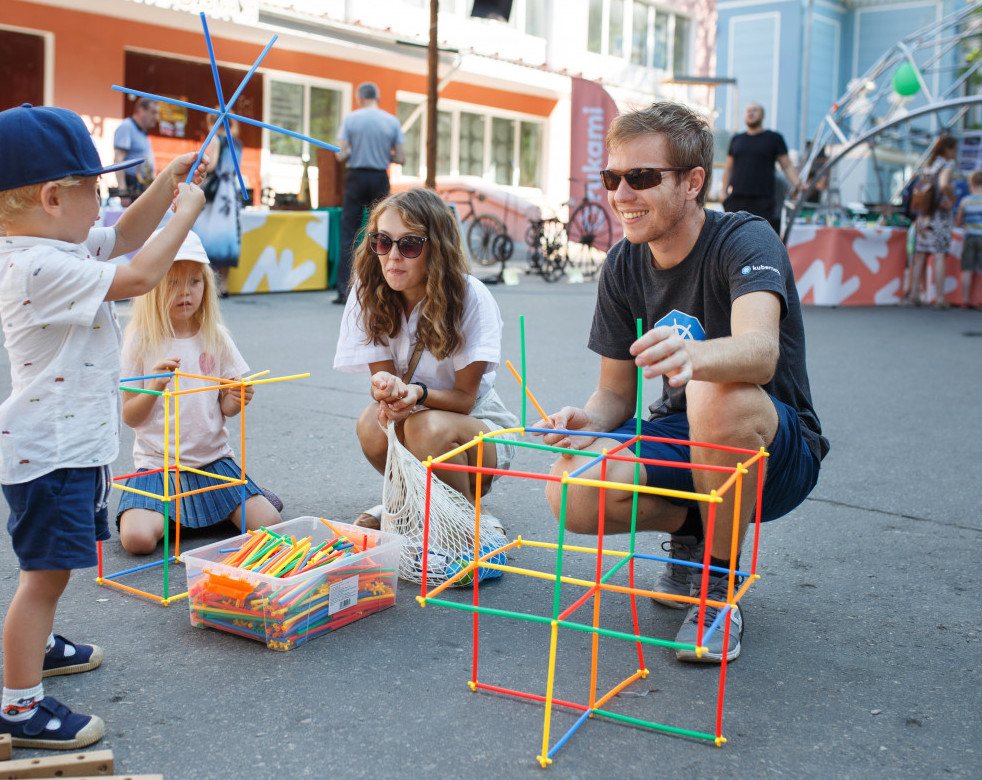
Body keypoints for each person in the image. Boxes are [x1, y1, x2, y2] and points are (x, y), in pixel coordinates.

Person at [535, 102, 829, 663]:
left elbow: (761, 354)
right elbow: (616, 394)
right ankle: (695, 538)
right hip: (682, 434)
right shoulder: (622, 262)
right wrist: (587, 420)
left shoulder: (745, 238)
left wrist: (695, 356)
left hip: (772, 444)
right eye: (612, 178)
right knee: (571, 491)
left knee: (712, 388)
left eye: (642, 177)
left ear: (694, 182)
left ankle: (720, 589)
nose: (621, 194)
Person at [0, 103, 207, 748]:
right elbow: (139, 272)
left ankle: (41, 648)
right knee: (44, 577)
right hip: (51, 452)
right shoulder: (37, 266)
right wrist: (186, 213)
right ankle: (20, 707)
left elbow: (125, 236)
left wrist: (165, 185)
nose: (100, 203)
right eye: (92, 190)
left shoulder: (49, 241)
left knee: (53, 569)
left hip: (66, 443)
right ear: (51, 197)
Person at [333, 187, 519, 529]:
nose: (392, 256)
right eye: (383, 241)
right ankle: (410, 502)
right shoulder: (367, 290)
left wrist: (415, 393)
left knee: (425, 427)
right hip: (416, 416)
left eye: (409, 244)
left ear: (437, 248)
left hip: (478, 422)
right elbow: (386, 387)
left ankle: (467, 518)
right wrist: (387, 389)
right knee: (372, 425)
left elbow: (464, 399)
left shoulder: (470, 296)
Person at [115, 232, 282, 555]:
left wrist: (235, 398)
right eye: (172, 282)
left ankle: (203, 511)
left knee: (271, 523)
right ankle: (202, 513)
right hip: (158, 465)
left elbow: (226, 407)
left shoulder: (214, 337)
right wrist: (154, 388)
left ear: (206, 285)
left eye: (194, 282)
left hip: (212, 461)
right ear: (152, 286)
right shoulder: (140, 341)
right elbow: (130, 415)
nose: (185, 293)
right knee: (137, 540)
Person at [333, 82, 406, 305]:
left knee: (349, 234)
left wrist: (355, 151)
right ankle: (380, 287)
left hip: (356, 177)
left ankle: (345, 291)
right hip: (379, 178)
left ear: (359, 98)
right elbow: (401, 158)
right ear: (378, 97)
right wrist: (384, 154)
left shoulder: (351, 119)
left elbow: (340, 155)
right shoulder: (391, 121)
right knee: (383, 233)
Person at [721, 102, 801, 233]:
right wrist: (723, 193)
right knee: (734, 238)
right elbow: (729, 168)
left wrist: (797, 184)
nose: (751, 113)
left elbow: (787, 165)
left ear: (763, 115)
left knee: (760, 237)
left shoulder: (774, 138)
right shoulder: (737, 139)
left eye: (755, 110)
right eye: (748, 111)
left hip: (763, 200)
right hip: (737, 199)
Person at [191, 113, 245, 298]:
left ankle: (207, 283)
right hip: (231, 193)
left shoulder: (216, 140)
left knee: (207, 234)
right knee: (229, 237)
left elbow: (211, 165)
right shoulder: (237, 143)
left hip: (217, 195)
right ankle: (224, 286)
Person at [905, 135, 958, 309]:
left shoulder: (928, 166)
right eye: (954, 149)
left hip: (924, 215)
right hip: (940, 216)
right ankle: (940, 298)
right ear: (948, 149)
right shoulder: (947, 166)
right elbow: (944, 185)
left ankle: (914, 295)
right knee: (939, 255)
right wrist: (951, 199)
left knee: (920, 255)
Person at [112, 97, 160, 206]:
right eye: (153, 112)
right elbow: (118, 159)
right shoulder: (127, 127)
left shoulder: (143, 131)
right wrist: (123, 191)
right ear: (141, 110)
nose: (156, 117)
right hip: (131, 189)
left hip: (142, 187)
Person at [954, 169, 982, 309]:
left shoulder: (966, 201)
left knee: (967, 269)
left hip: (970, 236)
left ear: (971, 183)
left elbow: (959, 221)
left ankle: (965, 299)